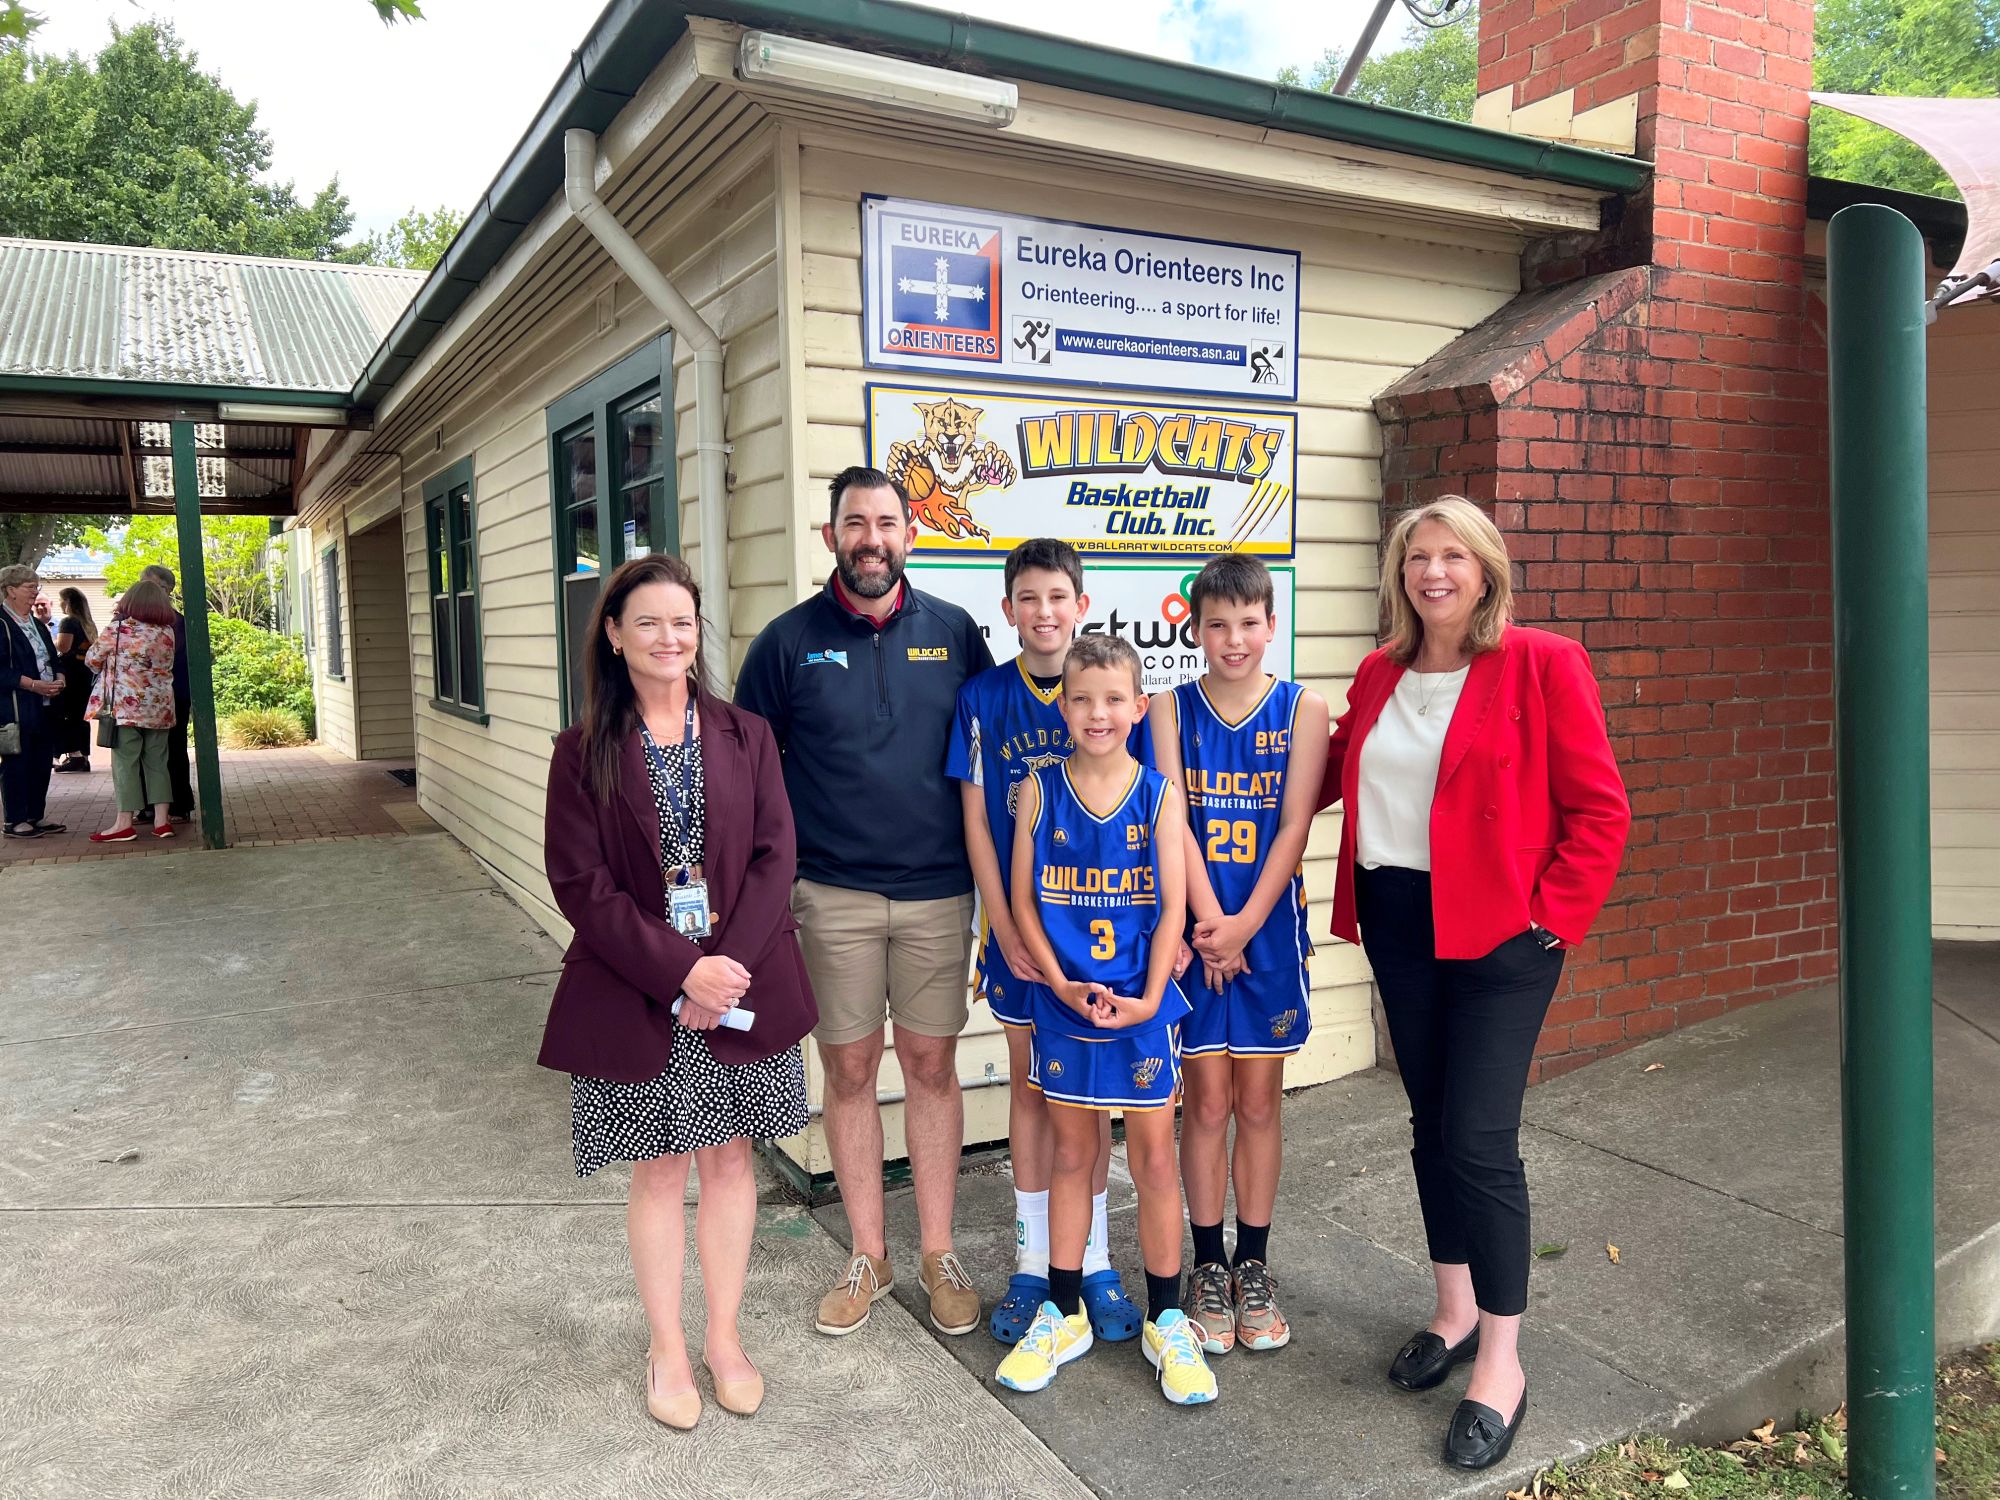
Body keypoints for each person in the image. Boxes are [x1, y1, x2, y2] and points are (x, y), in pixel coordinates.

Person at [1316, 496, 1630, 1470]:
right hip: (1400, 924)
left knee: (1477, 1140)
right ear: (1398, 574)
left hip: (1501, 937)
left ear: (1485, 570)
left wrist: (1550, 920)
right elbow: (1326, 771)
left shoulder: (1539, 663)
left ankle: (1501, 1360)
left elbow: (1599, 810)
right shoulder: (1379, 673)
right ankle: (1450, 1311)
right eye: (1417, 558)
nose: (1433, 573)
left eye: (1452, 556)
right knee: (1425, 1123)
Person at [539, 553, 817, 1430]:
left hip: (743, 985)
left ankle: (724, 1339)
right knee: (658, 1174)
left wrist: (723, 964)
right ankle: (667, 1348)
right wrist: (678, 971)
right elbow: (581, 884)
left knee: (732, 1160)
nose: (670, 637)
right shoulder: (581, 752)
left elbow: (777, 856)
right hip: (638, 992)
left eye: (683, 621)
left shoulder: (747, 735)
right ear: (614, 636)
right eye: (649, 622)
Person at [735, 465, 994, 1339]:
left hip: (936, 894)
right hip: (831, 898)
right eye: (856, 522)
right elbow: (749, 780)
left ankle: (936, 1251)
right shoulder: (783, 644)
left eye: (887, 521)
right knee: (848, 1072)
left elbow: (992, 764)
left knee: (929, 1068)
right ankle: (869, 1255)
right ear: (831, 538)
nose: (871, 537)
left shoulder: (957, 635)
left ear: (910, 536)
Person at [994, 634, 1215, 1406]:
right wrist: (1054, 981)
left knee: (1154, 1159)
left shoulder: (1159, 794)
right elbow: (1023, 901)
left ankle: (1166, 1318)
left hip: (1140, 1007)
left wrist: (1152, 998)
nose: (1098, 712)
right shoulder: (1039, 788)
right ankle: (1063, 1310)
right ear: (1063, 703)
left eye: (1114, 699)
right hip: (1065, 1003)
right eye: (1082, 698)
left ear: (1139, 707)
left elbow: (1172, 911)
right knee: (1070, 1156)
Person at [946, 538, 1137, 1346]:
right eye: (1029, 598)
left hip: (1100, 940)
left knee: (1088, 1102)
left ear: (1082, 604)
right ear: (1008, 609)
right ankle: (1033, 1263)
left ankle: (1091, 1259)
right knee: (1030, 1089)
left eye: (1058, 596)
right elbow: (978, 823)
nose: (1045, 612)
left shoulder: (1116, 697)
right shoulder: (983, 697)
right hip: (1024, 942)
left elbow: (1146, 816)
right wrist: (1008, 928)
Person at [1144, 553, 1329, 1357]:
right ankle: (1208, 1264)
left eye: (1248, 623)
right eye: (1217, 624)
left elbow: (1294, 824)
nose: (1233, 638)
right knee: (1206, 1104)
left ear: (1271, 624)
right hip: (1195, 932)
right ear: (1195, 628)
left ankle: (1255, 1263)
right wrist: (1211, 921)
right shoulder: (1168, 709)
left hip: (1268, 935)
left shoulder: (1303, 709)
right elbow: (1172, 819)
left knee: (1258, 1103)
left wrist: (1246, 921)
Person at [84, 579, 180, 843]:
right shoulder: (167, 632)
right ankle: (162, 822)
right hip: (161, 708)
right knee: (158, 763)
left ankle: (124, 824)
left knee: (125, 763)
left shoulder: (117, 630)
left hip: (126, 708)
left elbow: (92, 660)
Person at [0, 565, 67, 839]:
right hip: (16, 705)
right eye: (29, 587)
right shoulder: (2, 623)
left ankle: (34, 816)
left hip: (45, 705)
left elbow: (52, 656)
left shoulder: (37, 624)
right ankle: (14, 820)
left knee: (41, 760)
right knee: (17, 760)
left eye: (36, 586)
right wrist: (34, 684)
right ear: (10, 589)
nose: (35, 593)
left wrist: (60, 676)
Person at [140, 564, 194, 823]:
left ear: (168, 590)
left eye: (158, 587)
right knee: (141, 751)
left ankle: (179, 803)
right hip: (139, 700)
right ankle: (148, 805)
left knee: (173, 748)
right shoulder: (129, 621)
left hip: (174, 695)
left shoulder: (177, 622)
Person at [50, 587, 99, 772]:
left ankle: (75, 755)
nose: (60, 604)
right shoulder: (88, 623)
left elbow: (63, 647)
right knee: (81, 716)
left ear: (68, 602)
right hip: (85, 673)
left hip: (70, 674)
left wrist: (50, 640)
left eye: (61, 600)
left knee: (67, 714)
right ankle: (83, 757)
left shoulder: (69, 622)